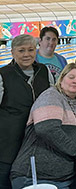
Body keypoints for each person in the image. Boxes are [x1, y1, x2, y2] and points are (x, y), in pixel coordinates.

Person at [10, 63, 76, 188]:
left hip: (65, 176)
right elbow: (47, 129)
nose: (75, 81)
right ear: (61, 78)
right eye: (71, 77)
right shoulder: (52, 95)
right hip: (37, 177)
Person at [0, 34, 53, 188]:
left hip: (37, 136)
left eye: (30, 50)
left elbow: (52, 99)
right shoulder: (3, 74)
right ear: (12, 53)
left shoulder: (44, 70)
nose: (26, 54)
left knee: (32, 177)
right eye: (21, 50)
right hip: (8, 139)